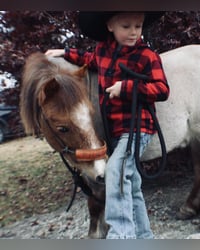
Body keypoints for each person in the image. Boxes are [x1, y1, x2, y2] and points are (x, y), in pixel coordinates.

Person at [45, 11, 169, 239]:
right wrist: (64, 52)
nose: (133, 32)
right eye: (126, 25)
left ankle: (121, 235)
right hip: (116, 131)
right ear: (110, 26)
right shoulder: (103, 50)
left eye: (138, 25)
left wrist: (127, 88)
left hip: (137, 128)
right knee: (130, 185)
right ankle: (143, 236)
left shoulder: (147, 56)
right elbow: (88, 58)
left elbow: (162, 90)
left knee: (116, 171)